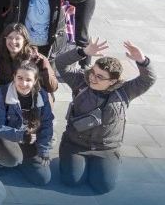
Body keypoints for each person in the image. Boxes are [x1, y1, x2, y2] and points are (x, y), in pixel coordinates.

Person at [57, 39, 155, 194]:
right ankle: (73, 159)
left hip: (106, 148)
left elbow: (148, 80)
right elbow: (61, 63)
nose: (93, 78)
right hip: (76, 143)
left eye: (100, 77)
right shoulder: (80, 82)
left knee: (103, 187)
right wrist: (83, 52)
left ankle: (104, 164)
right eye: (93, 72)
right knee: (72, 181)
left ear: (113, 81)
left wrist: (143, 61)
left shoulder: (124, 91)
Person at [0, 60, 54, 186]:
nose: (23, 83)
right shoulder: (1, 94)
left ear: (35, 81)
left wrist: (44, 149)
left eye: (28, 80)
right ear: (14, 77)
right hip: (3, 137)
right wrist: (21, 135)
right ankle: (2, 161)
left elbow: (47, 123)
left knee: (43, 178)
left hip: (28, 139)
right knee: (13, 159)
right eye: (20, 78)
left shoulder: (42, 95)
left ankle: (21, 161)